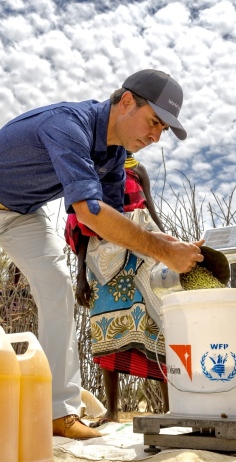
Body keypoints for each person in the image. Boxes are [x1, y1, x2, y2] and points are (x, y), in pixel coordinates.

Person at [0, 69, 203, 439]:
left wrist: (165, 241)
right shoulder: (68, 125)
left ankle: (59, 412)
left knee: (58, 288)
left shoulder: (114, 156)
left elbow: (112, 224)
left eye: (163, 130)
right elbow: (89, 211)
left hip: (24, 213)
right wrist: (164, 251)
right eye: (154, 122)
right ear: (127, 102)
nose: (155, 136)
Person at [66, 154, 169, 425]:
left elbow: (151, 210)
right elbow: (81, 225)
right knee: (105, 331)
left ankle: (172, 410)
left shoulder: (138, 169)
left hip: (140, 252)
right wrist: (80, 277)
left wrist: (169, 246)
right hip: (101, 260)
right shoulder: (92, 170)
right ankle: (112, 411)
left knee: (156, 326)